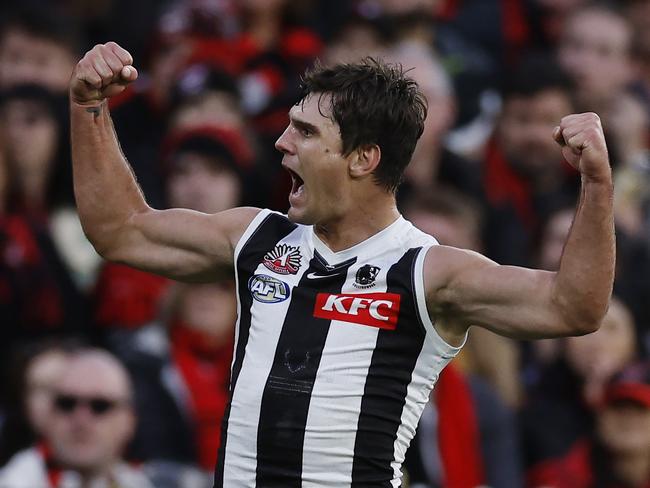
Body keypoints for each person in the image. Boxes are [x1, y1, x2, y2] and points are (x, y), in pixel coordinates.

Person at [69, 42, 615, 487]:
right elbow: (120, 231)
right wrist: (89, 108)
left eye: (306, 132)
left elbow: (573, 308)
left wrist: (595, 184)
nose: (281, 143)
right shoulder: (257, 238)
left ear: (362, 158)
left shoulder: (428, 272)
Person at [0, 348, 153, 487]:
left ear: (129, 420)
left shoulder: (144, 481)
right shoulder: (15, 482)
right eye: (67, 404)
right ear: (47, 414)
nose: (81, 420)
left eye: (100, 406)